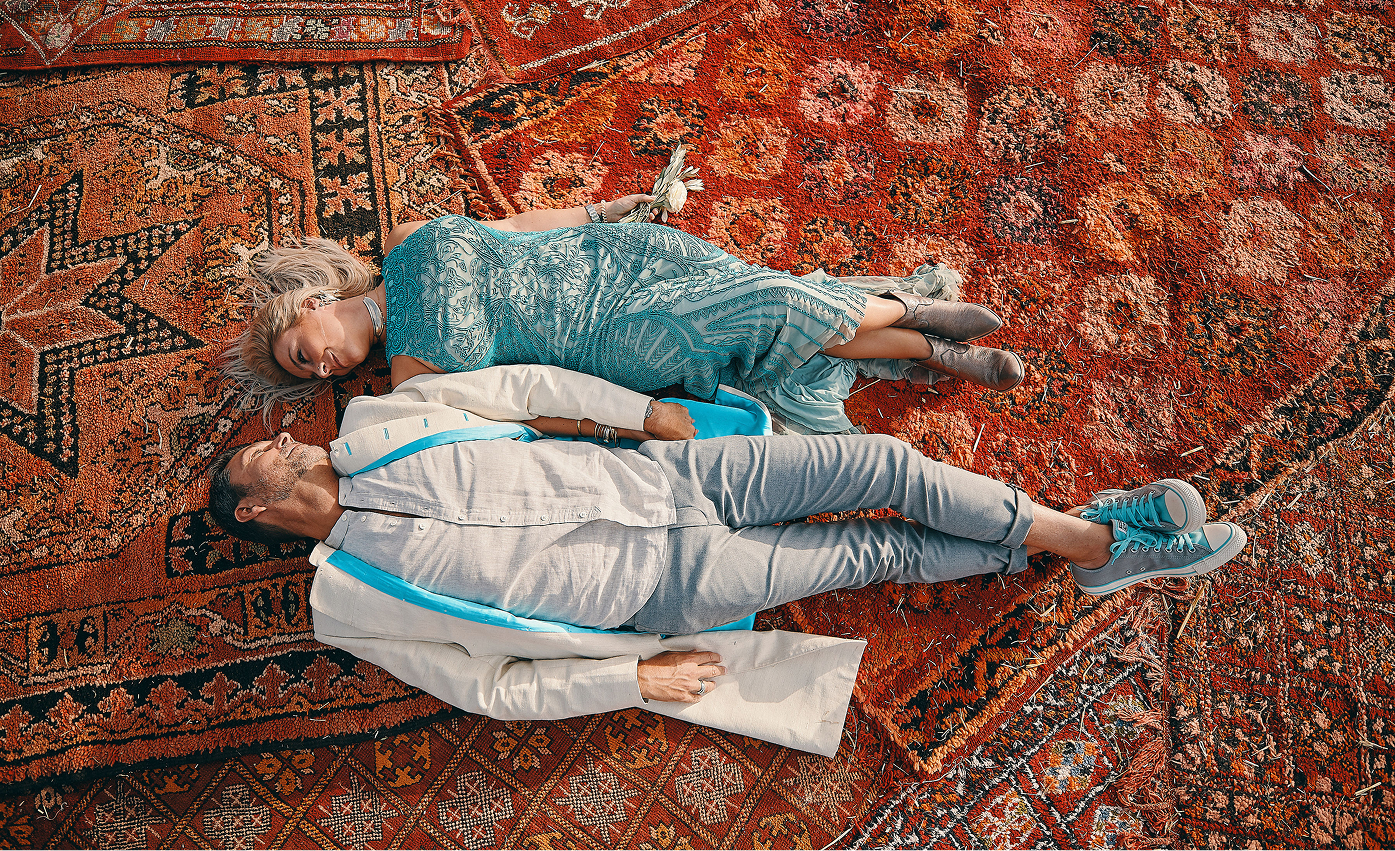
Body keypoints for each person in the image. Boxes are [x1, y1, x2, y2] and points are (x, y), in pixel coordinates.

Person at [206, 365, 1246, 755]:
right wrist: (634, 677)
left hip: (672, 481)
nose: (288, 436)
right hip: (667, 587)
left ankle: (1097, 542)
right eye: (265, 452)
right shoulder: (346, 604)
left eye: (276, 431)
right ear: (255, 506)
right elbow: (487, 688)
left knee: (881, 459)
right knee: (872, 547)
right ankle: (1104, 539)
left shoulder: (385, 417)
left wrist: (645, 413)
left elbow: (520, 391)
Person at [225, 195, 1024, 433]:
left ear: (313, 301)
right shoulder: (409, 381)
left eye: (305, 350)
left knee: (757, 293)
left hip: (614, 263)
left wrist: (605, 211)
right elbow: (524, 399)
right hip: (608, 340)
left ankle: (916, 331)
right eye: (312, 373)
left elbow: (511, 231)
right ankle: (919, 329)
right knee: (772, 300)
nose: (323, 366)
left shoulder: (406, 240)